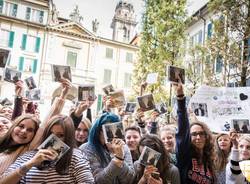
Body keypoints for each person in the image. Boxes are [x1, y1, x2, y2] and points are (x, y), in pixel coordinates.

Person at [0, 79, 71, 175]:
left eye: (30, 130)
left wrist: (62, 96)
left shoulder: (27, 150)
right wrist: (18, 96)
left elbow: (45, 124)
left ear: (35, 135)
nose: (24, 131)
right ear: (13, 126)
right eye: (21, 126)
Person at [0, 115, 94, 183]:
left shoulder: (76, 156)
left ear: (68, 137)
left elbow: (87, 181)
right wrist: (31, 163)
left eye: (60, 135)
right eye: (50, 134)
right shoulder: (29, 156)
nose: (54, 139)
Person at [174, 82, 216, 184]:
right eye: (193, 134)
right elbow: (183, 130)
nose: (198, 137)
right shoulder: (184, 154)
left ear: (206, 136)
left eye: (201, 133)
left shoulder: (209, 158)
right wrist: (180, 98)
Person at [80, 112, 135, 184]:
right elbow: (98, 181)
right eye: (108, 130)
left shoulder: (124, 147)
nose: (112, 136)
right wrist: (116, 159)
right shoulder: (87, 149)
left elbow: (129, 180)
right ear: (99, 131)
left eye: (115, 130)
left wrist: (118, 156)